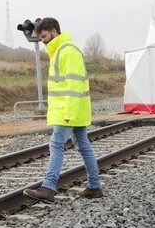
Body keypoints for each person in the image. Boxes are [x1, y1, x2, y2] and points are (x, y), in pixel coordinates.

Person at [23, 17, 103, 203]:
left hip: (68, 111)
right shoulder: (60, 51)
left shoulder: (67, 51)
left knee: (56, 144)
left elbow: (74, 86)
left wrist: (69, 114)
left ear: (54, 32)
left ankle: (49, 187)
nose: (42, 40)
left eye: (43, 36)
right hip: (71, 110)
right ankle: (94, 186)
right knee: (83, 146)